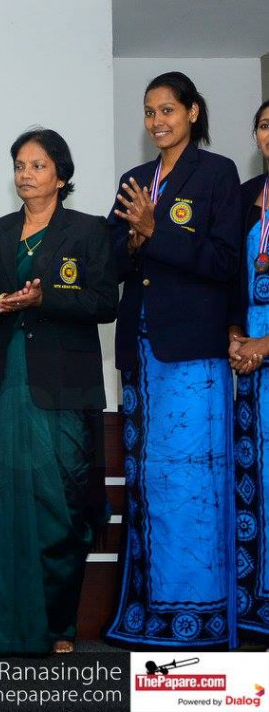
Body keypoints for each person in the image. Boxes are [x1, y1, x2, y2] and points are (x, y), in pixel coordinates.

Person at [0, 129, 117, 655]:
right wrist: (2, 301)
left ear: (62, 175)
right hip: (6, 384)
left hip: (63, 388)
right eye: (20, 165)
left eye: (38, 165)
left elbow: (103, 302)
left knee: (60, 507)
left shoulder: (90, 232)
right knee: (3, 508)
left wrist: (45, 298)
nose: (26, 174)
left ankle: (58, 627)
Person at [104, 72, 242, 650]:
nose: (157, 120)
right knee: (151, 481)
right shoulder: (135, 179)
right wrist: (134, 240)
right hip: (141, 352)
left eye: (167, 110)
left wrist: (154, 232)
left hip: (192, 351)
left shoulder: (217, 174)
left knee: (193, 480)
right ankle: (151, 610)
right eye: (148, 111)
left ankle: (200, 616)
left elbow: (223, 260)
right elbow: (112, 261)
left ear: (192, 112)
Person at [227, 98, 269, 642]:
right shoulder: (247, 198)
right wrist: (236, 335)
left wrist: (265, 342)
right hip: (249, 371)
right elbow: (225, 274)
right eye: (263, 125)